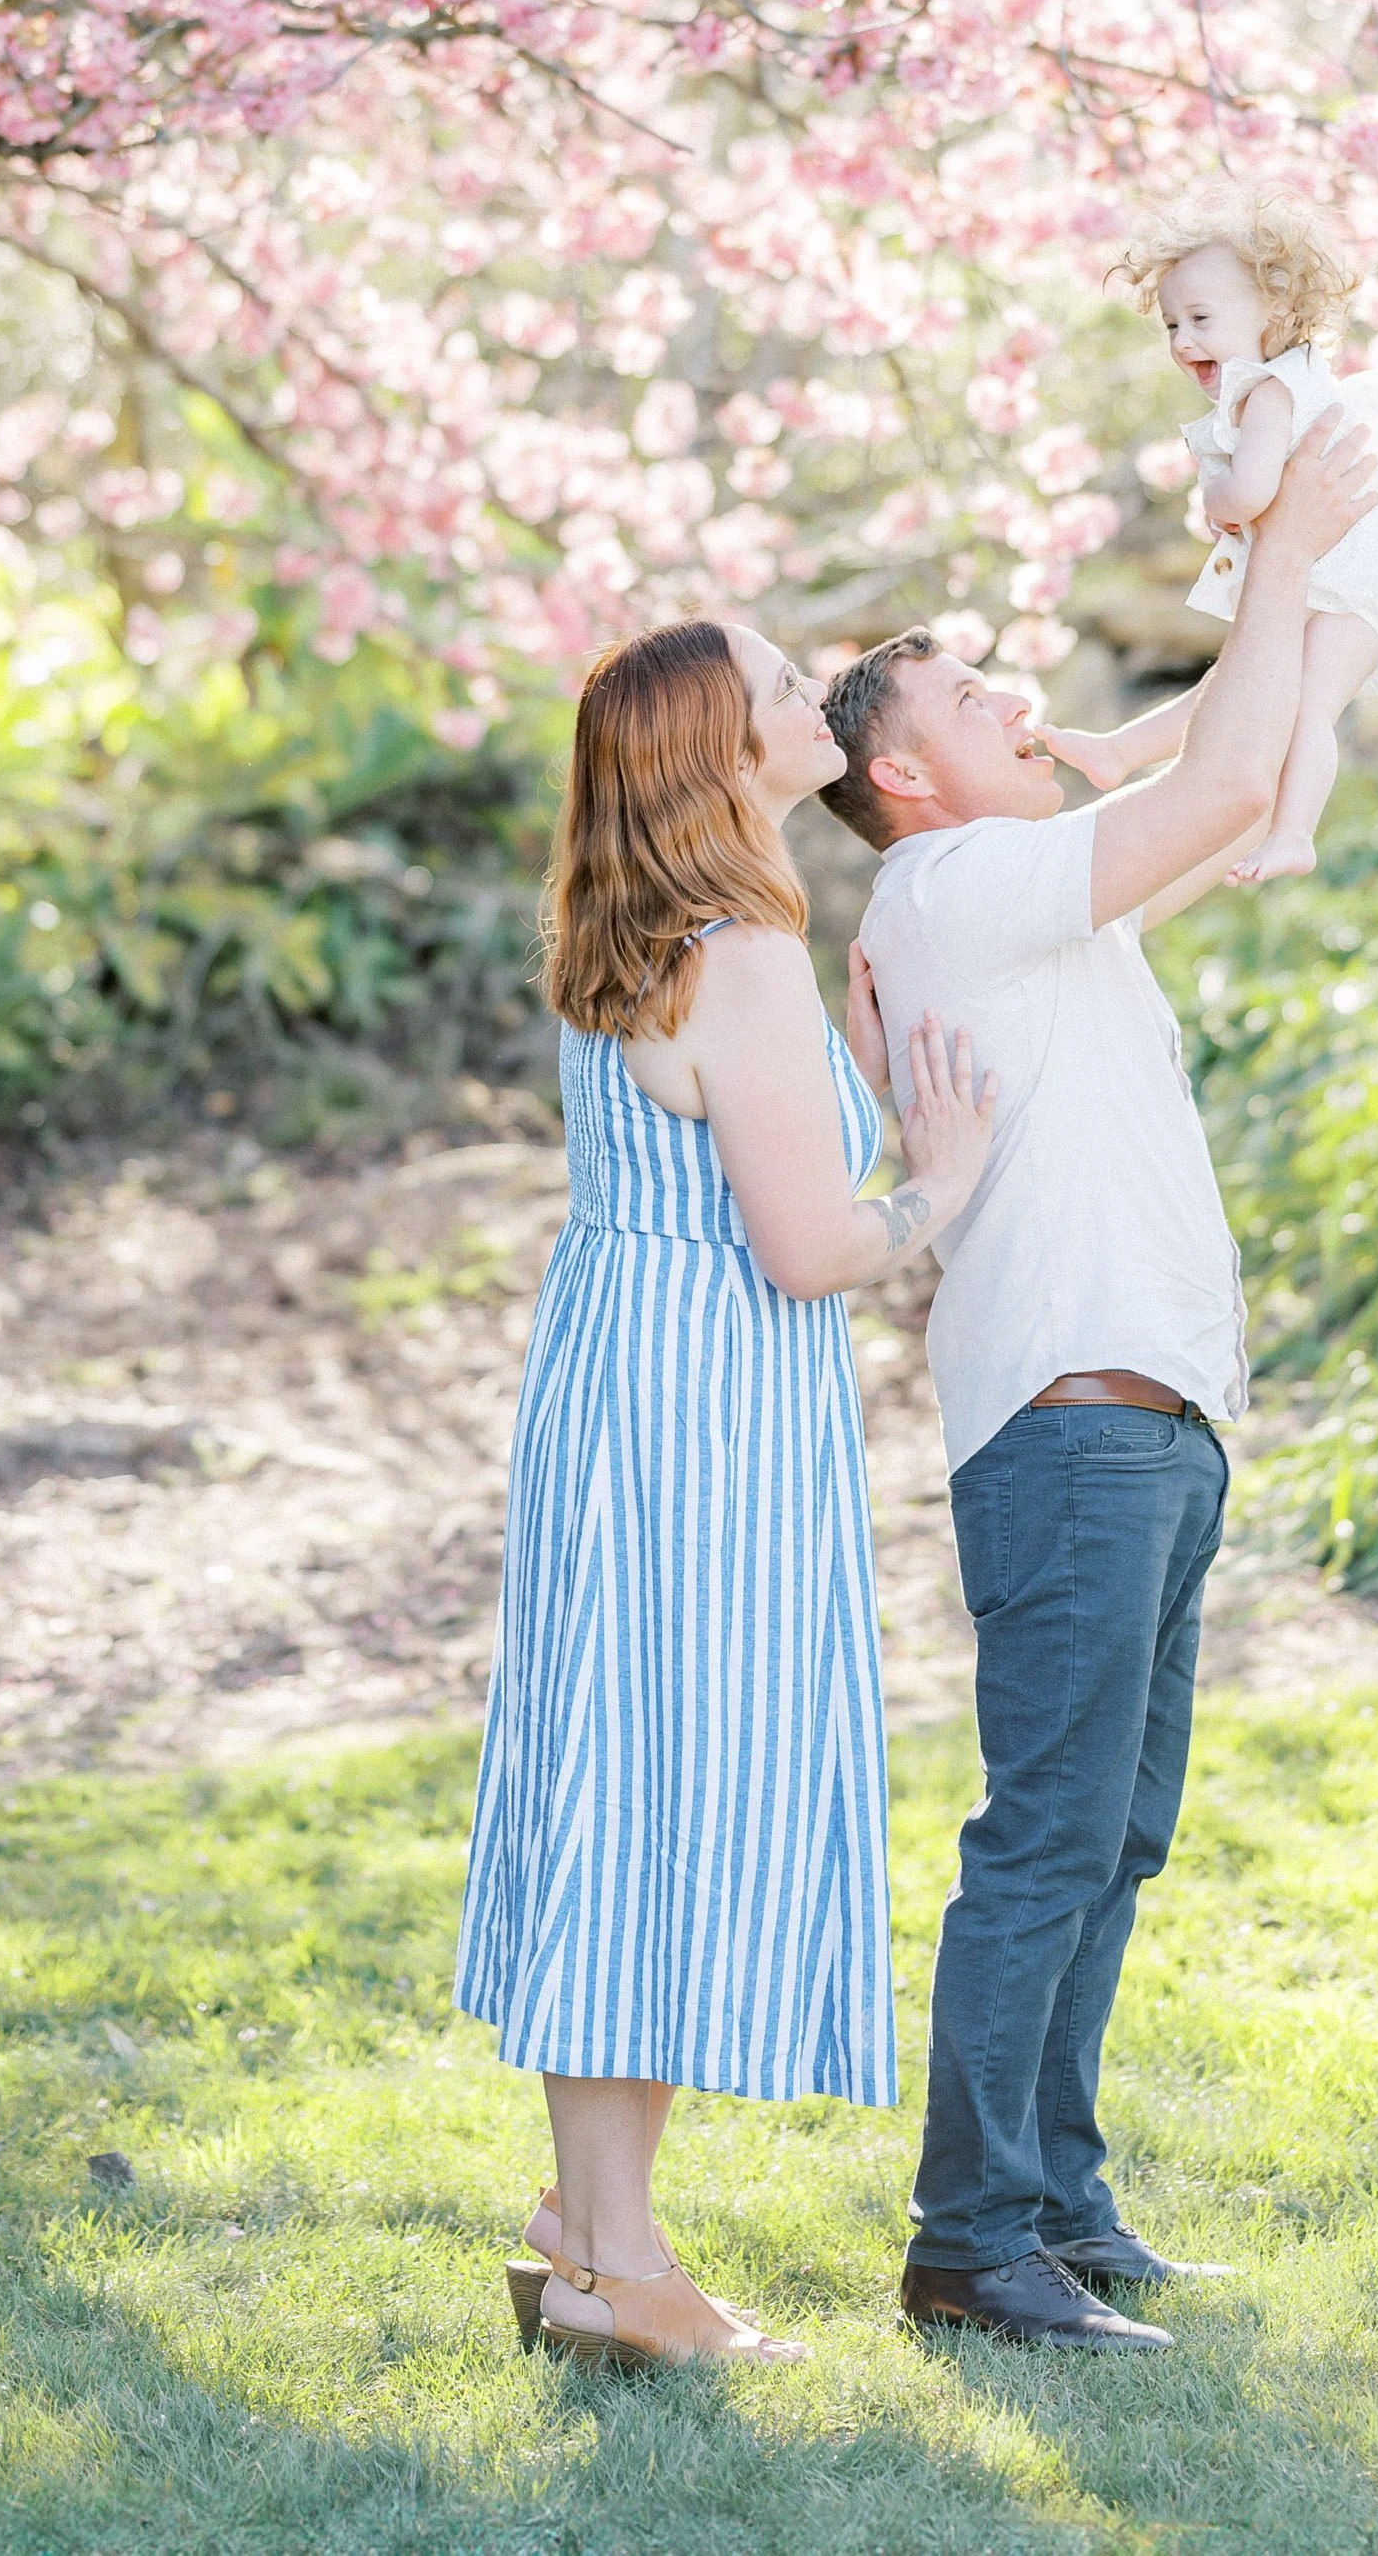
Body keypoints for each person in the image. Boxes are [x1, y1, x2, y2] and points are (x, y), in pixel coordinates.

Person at [818, 405, 1378, 2353]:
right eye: (973, 688)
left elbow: (1196, 763)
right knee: (1048, 1836)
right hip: (1070, 1425)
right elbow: (1224, 781)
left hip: (1135, 1417)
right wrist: (1287, 540)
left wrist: (1283, 588)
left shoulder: (1010, 889)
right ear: (902, 772)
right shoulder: (954, 891)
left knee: (1107, 1833)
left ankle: (1051, 2206)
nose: (1012, 690)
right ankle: (970, 2245)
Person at [455, 616, 996, 2373]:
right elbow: (805, 1246)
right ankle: (618, 2259)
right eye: (780, 682)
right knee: (669, 1808)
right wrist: (946, 1176)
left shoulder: (635, 943)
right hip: (705, 1424)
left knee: (621, 1801)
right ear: (720, 757)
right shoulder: (742, 955)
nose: (811, 688)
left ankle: (585, 2229)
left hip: (620, 1394)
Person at [1044, 179, 1378, 878]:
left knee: (1306, 706)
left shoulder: (1271, 391)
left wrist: (1217, 496)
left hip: (1361, 605)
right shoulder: (1284, 384)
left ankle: (1294, 833)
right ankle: (1120, 752)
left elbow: (1248, 492)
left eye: (1200, 318)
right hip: (1336, 594)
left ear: (1272, 313)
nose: (1183, 339)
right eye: (1170, 325)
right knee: (1234, 685)